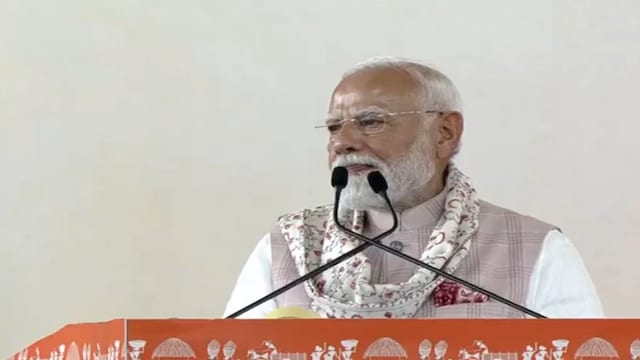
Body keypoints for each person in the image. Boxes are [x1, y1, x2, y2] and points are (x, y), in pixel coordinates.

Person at [223, 57, 603, 319]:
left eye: (370, 122)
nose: (344, 141)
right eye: (335, 127)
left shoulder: (536, 249)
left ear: (445, 133)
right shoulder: (287, 250)